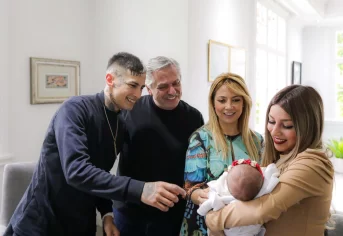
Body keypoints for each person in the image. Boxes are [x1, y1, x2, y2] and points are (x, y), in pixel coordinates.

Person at [4, 52, 186, 236]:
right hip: (41, 222)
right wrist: (141, 189)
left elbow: (98, 171)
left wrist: (106, 212)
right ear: (110, 79)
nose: (138, 95)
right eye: (132, 85)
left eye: (140, 88)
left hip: (81, 223)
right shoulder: (74, 110)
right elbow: (76, 170)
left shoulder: (121, 120)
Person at [205, 85, 334, 236]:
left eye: (287, 125)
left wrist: (212, 218)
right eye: (271, 121)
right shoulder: (281, 157)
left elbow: (261, 210)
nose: (275, 131)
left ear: (308, 127)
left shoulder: (312, 164)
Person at [112, 56, 204, 236]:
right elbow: (106, 157)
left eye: (176, 83)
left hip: (173, 213)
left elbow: (197, 167)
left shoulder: (194, 118)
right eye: (163, 86)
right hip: (131, 211)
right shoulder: (129, 110)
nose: (172, 91)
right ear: (149, 89)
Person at [180, 73, 264, 236]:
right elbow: (191, 188)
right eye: (222, 100)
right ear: (213, 103)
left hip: (245, 225)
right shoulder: (200, 139)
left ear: (244, 102)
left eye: (236, 100)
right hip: (203, 227)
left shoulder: (257, 141)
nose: (229, 106)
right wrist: (212, 199)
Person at [197, 159, 279, 236]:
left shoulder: (222, 195)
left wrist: (202, 211)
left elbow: (210, 203)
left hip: (230, 229)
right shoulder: (262, 192)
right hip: (252, 228)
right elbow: (271, 173)